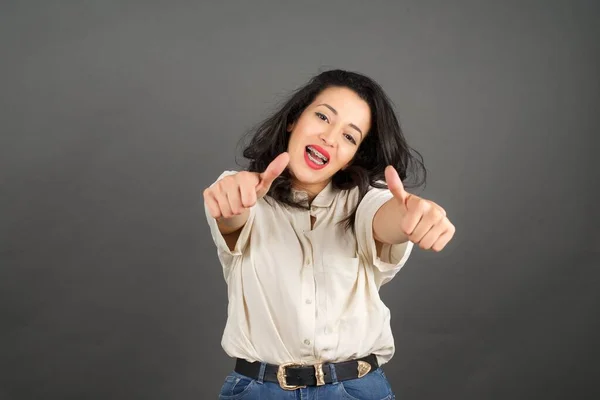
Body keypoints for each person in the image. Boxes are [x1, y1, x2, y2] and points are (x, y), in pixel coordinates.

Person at [203, 69, 455, 399]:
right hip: (259, 391)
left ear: (354, 155)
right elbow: (233, 214)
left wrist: (414, 215)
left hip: (355, 390)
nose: (330, 138)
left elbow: (386, 218)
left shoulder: (366, 200)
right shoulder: (243, 193)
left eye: (350, 137)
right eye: (323, 116)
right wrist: (232, 195)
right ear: (294, 118)